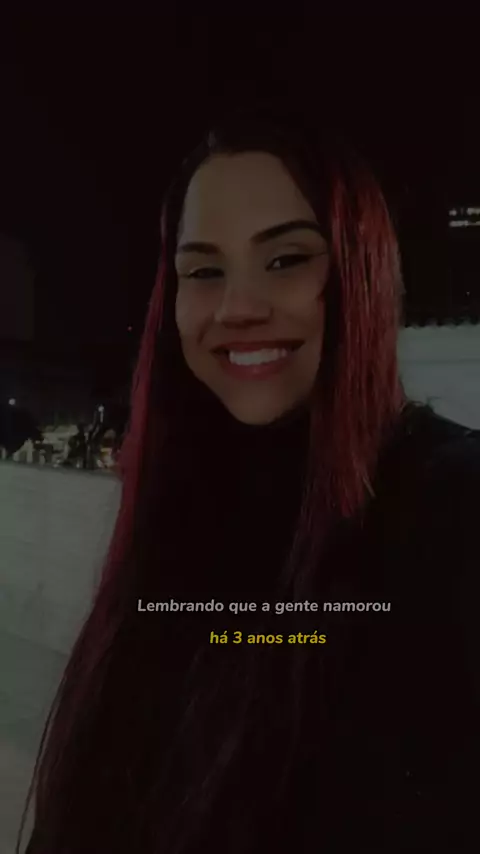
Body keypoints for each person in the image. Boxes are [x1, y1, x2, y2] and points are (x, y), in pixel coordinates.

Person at [20, 102, 480, 853]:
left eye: (286, 259)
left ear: (362, 273)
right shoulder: (182, 511)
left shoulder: (451, 505)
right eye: (204, 271)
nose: (237, 308)